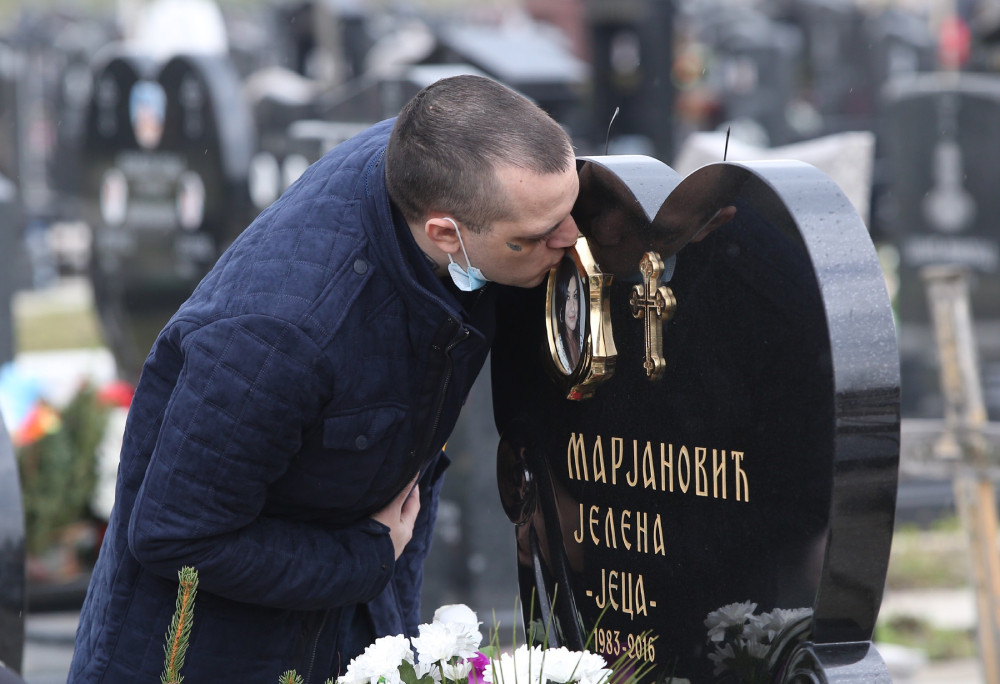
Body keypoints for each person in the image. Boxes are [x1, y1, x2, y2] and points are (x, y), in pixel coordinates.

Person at [69, 74, 580, 682]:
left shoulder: (439, 157)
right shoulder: (276, 340)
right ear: (445, 233)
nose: (571, 238)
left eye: (570, 210)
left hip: (348, 608)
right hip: (209, 653)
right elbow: (175, 537)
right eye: (535, 236)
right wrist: (366, 556)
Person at [553, 258, 583, 372]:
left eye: (575, 296)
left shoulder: (580, 340)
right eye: (567, 298)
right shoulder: (558, 348)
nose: (573, 307)